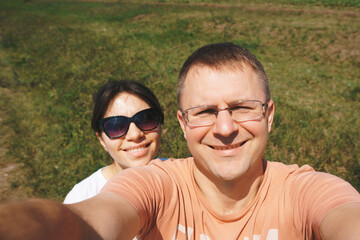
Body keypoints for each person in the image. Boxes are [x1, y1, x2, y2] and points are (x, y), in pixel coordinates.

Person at [0, 42, 359, 240]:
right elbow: (90, 221)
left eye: (241, 108)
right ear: (183, 123)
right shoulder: (156, 185)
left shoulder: (306, 192)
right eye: (204, 112)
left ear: (269, 114)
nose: (224, 127)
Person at [64, 79, 164, 204]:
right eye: (116, 126)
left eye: (146, 119)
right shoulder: (81, 198)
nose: (135, 134)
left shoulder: (183, 176)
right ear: (101, 139)